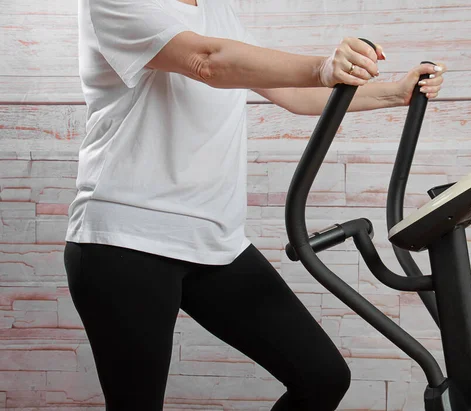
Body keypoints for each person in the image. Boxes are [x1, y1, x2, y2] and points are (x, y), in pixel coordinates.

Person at [63, 0, 446, 410]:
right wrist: (323, 66)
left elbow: (294, 95)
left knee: (321, 377)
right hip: (126, 239)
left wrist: (394, 93)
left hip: (215, 241)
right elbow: (207, 61)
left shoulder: (217, 11)